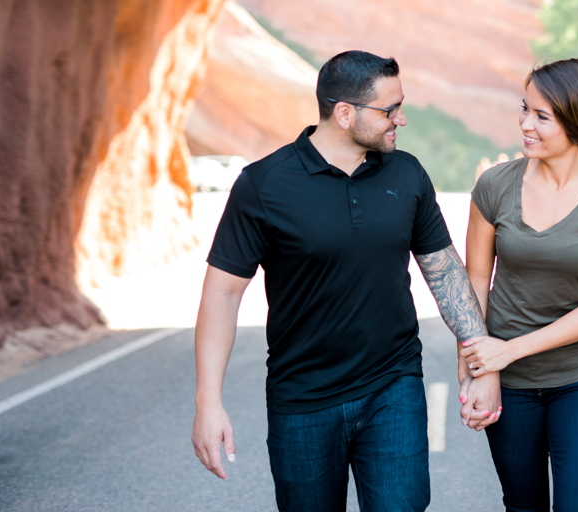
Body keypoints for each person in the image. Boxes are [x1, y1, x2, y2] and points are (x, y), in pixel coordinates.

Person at [191, 50, 500, 512]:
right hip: (302, 399)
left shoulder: (407, 173)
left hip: (392, 386)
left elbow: (445, 272)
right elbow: (223, 292)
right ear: (344, 114)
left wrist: (483, 364)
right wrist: (207, 402)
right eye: (390, 110)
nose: (402, 119)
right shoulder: (264, 184)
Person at [458, 58, 578, 512]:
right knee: (523, 507)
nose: (525, 124)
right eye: (525, 109)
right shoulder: (494, 186)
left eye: (542, 116)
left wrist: (510, 350)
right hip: (509, 384)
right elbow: (475, 282)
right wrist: (475, 373)